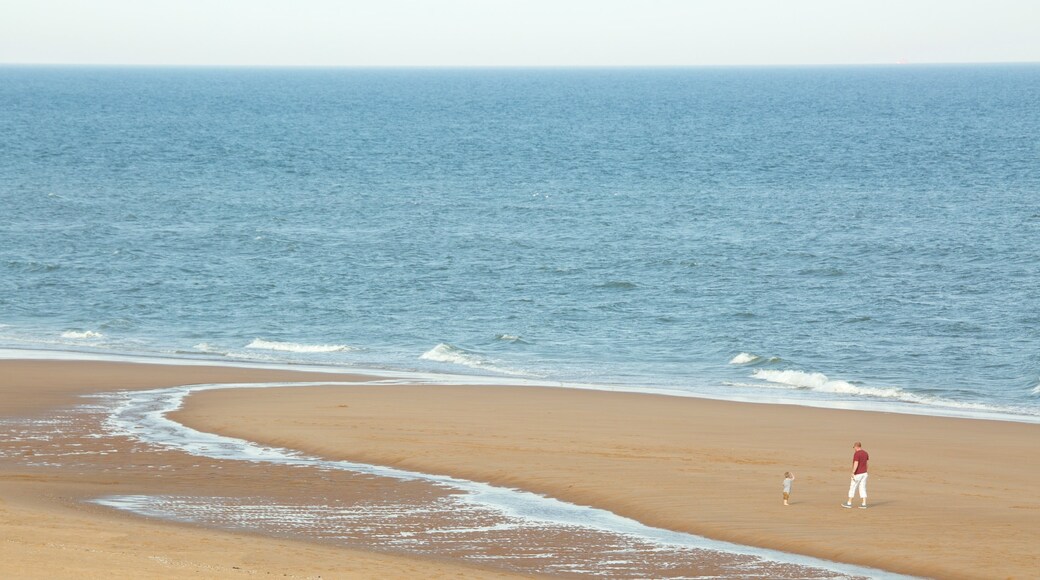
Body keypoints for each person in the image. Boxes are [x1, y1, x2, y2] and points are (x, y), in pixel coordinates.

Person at [842, 442, 869, 509]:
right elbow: (866, 463)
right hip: (864, 473)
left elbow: (856, 463)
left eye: (854, 447)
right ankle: (864, 503)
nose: (854, 448)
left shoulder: (857, 454)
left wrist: (853, 472)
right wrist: (866, 471)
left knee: (853, 487)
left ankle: (849, 503)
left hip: (858, 474)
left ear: (856, 447)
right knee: (862, 488)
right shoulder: (865, 453)